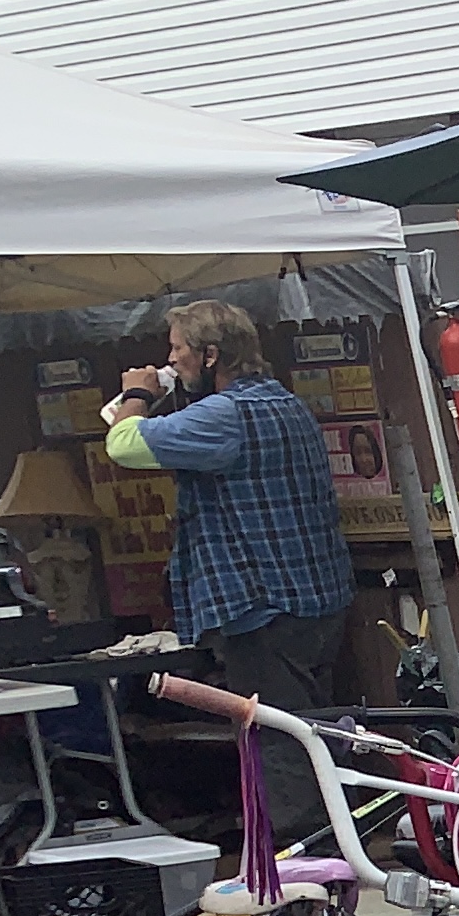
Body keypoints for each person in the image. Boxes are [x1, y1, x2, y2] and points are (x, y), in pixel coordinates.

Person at [101, 300, 355, 833]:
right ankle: (337, 846)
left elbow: (122, 445)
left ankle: (299, 865)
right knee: (312, 728)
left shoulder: (222, 416)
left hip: (260, 605)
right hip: (317, 597)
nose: (170, 359)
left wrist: (139, 395)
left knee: (278, 738)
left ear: (210, 355)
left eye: (177, 350)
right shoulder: (286, 404)